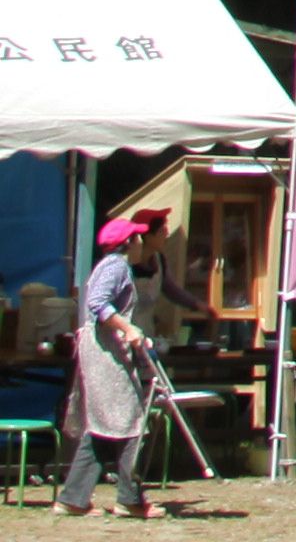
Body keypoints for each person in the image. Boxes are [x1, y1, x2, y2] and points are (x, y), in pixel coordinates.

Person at [56, 212, 164, 518]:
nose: (142, 242)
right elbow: (98, 303)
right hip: (103, 353)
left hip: (106, 350)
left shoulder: (117, 267)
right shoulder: (115, 266)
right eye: (138, 237)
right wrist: (127, 328)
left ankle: (73, 498)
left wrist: (134, 333)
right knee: (132, 420)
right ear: (128, 242)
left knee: (105, 424)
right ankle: (129, 499)